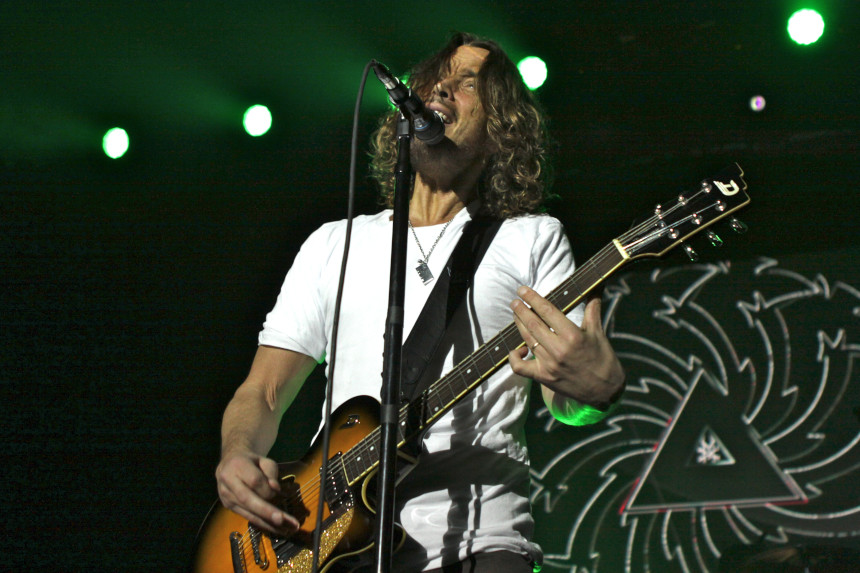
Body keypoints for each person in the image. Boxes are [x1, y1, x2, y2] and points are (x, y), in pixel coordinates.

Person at [215, 32, 625, 572]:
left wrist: (594, 391)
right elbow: (264, 390)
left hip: (478, 542)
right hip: (328, 543)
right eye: (438, 78)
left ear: (502, 127)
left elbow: (568, 402)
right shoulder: (333, 243)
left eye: (468, 83)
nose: (443, 90)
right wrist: (237, 453)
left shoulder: (531, 239)